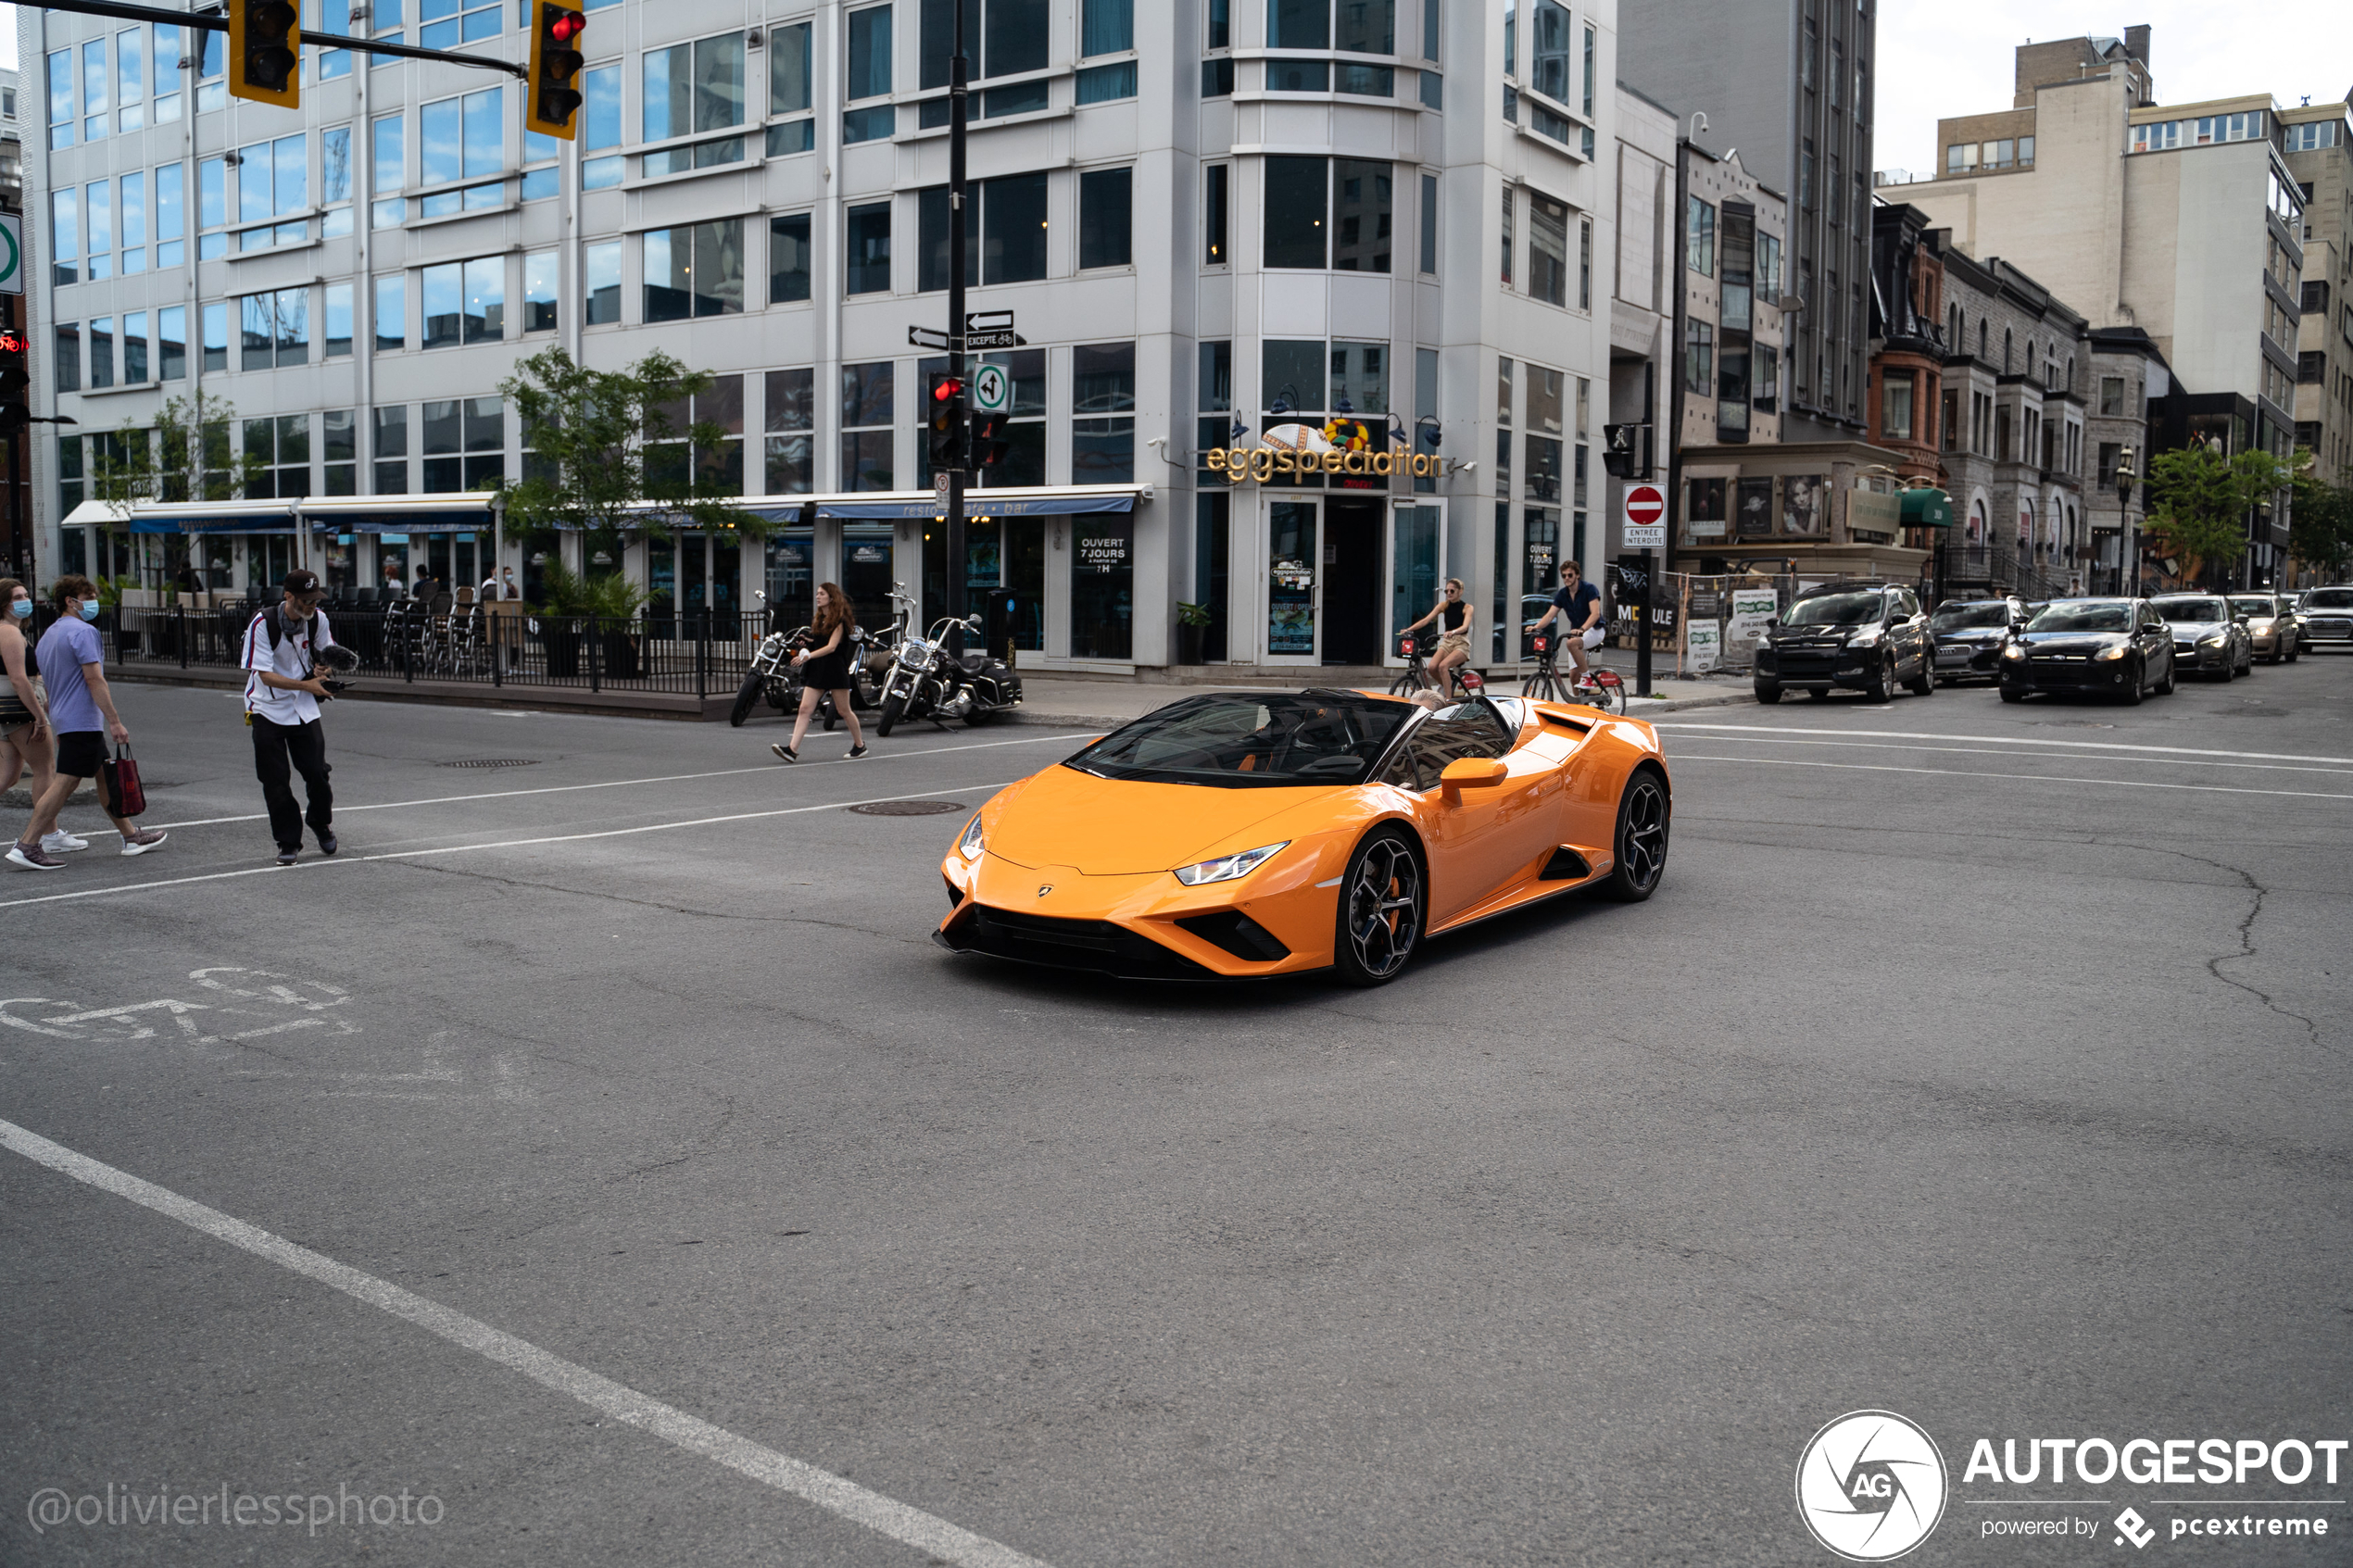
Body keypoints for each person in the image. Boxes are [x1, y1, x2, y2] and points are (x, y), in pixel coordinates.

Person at [10, 575, 168, 868]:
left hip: (66, 718)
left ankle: (131, 836)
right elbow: (94, 678)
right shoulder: (83, 632)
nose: (93, 601)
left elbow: (51, 681)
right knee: (65, 783)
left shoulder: (50, 635)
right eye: (89, 596)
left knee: (104, 776)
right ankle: (28, 844)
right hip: (83, 719)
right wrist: (115, 721)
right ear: (71, 601)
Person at [241, 570, 340, 866]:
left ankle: (320, 822)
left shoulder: (319, 620)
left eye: (315, 600)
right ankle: (287, 841)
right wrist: (306, 684)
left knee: (316, 773)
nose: (311, 606)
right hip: (267, 708)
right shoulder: (263, 623)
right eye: (306, 600)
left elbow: (327, 658)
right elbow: (264, 675)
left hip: (304, 708)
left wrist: (324, 672)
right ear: (288, 597)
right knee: (275, 780)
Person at [1, 578, 70, 862]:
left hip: (7, 713)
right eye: (18, 596)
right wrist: (40, 717)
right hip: (19, 710)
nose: (25, 600)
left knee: (9, 775)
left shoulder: (11, 631)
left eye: (26, 594)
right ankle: (47, 836)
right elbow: (18, 678)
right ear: (4, 603)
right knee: (45, 769)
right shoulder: (10, 633)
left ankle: (51, 834)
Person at [769, 582, 867, 764]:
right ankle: (792, 750)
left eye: (821, 594)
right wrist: (807, 643)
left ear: (831, 597)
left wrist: (807, 656)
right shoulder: (820, 619)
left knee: (844, 710)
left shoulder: (840, 621)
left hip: (835, 670)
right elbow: (820, 643)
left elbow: (831, 647)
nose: (817, 597)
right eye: (817, 594)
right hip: (818, 669)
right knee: (805, 709)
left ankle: (860, 745)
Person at [1399, 578, 1476, 698]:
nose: (1449, 593)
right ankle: (1446, 687)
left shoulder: (1467, 607)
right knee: (1432, 667)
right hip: (1447, 642)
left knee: (1443, 666)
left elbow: (1465, 626)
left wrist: (1453, 631)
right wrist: (1409, 629)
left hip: (1461, 643)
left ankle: (1448, 701)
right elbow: (1426, 620)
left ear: (1460, 591)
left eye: (1452, 591)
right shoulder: (1443, 606)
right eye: (1446, 591)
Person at [1532, 559, 1606, 681]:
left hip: (1595, 629)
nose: (1567, 578)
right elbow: (1550, 615)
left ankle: (1587, 678)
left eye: (1570, 575)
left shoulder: (1589, 589)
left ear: (1577, 575)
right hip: (1577, 633)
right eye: (1564, 576)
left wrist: (1582, 629)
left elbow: (1595, 614)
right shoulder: (1562, 594)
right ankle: (1580, 699)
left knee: (1571, 643)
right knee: (1573, 677)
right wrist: (1536, 627)